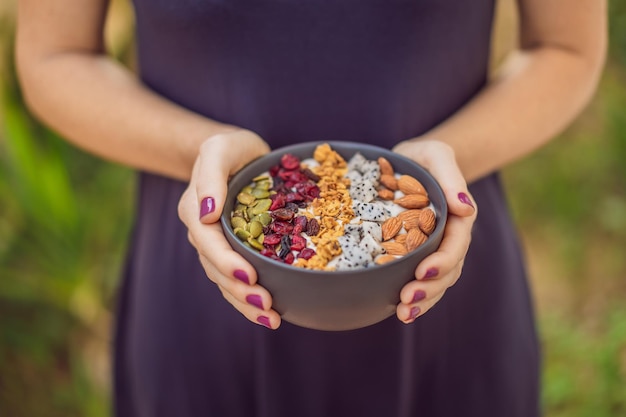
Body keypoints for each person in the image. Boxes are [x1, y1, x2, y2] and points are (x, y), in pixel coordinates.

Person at [15, 1, 606, 416]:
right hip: (206, 283)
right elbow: (56, 57)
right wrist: (198, 150)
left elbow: (565, 45)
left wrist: (443, 161)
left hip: (440, 283)